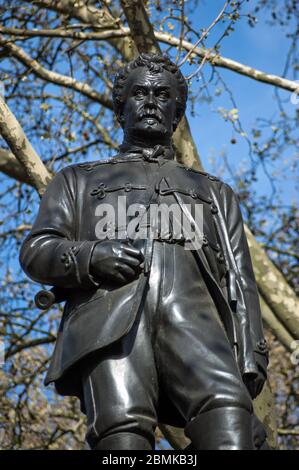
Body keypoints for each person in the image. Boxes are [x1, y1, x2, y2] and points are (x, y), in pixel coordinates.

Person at [19, 53, 269, 450]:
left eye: (162, 95)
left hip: (198, 325)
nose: (151, 101)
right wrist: (92, 256)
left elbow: (240, 280)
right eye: (139, 93)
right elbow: (37, 250)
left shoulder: (215, 193)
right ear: (121, 109)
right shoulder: (76, 181)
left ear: (176, 113)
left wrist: (251, 365)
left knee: (229, 424)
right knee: (123, 437)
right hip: (110, 327)